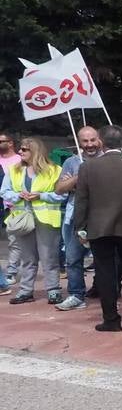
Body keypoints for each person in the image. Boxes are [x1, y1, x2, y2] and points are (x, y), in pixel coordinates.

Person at [72, 124, 122, 332]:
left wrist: (80, 228)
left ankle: (111, 319)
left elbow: (81, 201)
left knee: (105, 272)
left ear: (100, 142)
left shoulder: (87, 167)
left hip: (99, 228)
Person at [1, 136, 65, 305]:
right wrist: (17, 196)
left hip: (46, 220)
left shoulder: (54, 170)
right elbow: (4, 191)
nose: (20, 152)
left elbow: (62, 194)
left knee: (49, 257)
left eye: (24, 149)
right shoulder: (14, 170)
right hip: (23, 220)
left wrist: (41, 195)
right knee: (27, 258)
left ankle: (53, 290)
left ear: (35, 151)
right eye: (20, 148)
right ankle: (25, 291)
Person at [52, 126, 105, 311]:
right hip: (75, 217)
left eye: (93, 140)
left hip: (101, 216)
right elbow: (59, 188)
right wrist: (78, 176)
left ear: (99, 140)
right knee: (73, 258)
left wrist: (77, 184)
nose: (90, 144)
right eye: (85, 141)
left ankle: (107, 291)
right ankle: (76, 295)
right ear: (79, 143)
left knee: (105, 258)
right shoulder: (71, 162)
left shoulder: (107, 160)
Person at [0, 129, 21, 285]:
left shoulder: (20, 161)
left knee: (14, 241)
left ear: (11, 143)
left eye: (2, 141)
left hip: (12, 206)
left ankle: (11, 271)